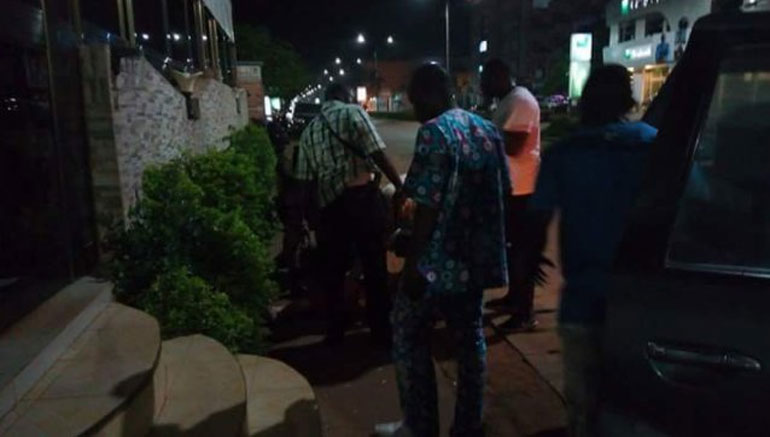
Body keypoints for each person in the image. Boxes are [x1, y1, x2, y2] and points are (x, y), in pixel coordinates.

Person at [526, 65, 658, 437]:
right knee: (633, 401)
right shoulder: (654, 145)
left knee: (584, 398)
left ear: (585, 102)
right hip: (641, 298)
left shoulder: (565, 153)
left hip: (582, 299)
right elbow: (697, 202)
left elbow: (537, 217)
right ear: (628, 102)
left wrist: (530, 260)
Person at [380, 64, 510, 437]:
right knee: (470, 341)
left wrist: (413, 266)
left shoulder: (434, 132)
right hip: (474, 262)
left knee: (407, 333)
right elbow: (504, 189)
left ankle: (420, 426)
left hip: (437, 263)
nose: (416, 111)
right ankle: (468, 425)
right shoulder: (487, 130)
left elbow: (428, 206)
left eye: (416, 101)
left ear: (430, 93)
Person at [293, 83, 403, 346]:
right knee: (374, 267)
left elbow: (304, 183)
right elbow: (377, 152)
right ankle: (380, 331)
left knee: (333, 271)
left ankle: (336, 332)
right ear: (345, 97)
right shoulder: (353, 113)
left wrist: (307, 220)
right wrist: (400, 186)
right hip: (362, 200)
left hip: (330, 209)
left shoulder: (309, 131)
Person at [481, 58, 542, 332]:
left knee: (522, 253)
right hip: (511, 187)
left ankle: (524, 313)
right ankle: (514, 298)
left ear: (500, 77)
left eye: (486, 79)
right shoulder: (508, 101)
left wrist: (482, 132)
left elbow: (514, 145)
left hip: (522, 189)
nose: (483, 85)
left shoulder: (521, 101)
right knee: (513, 250)